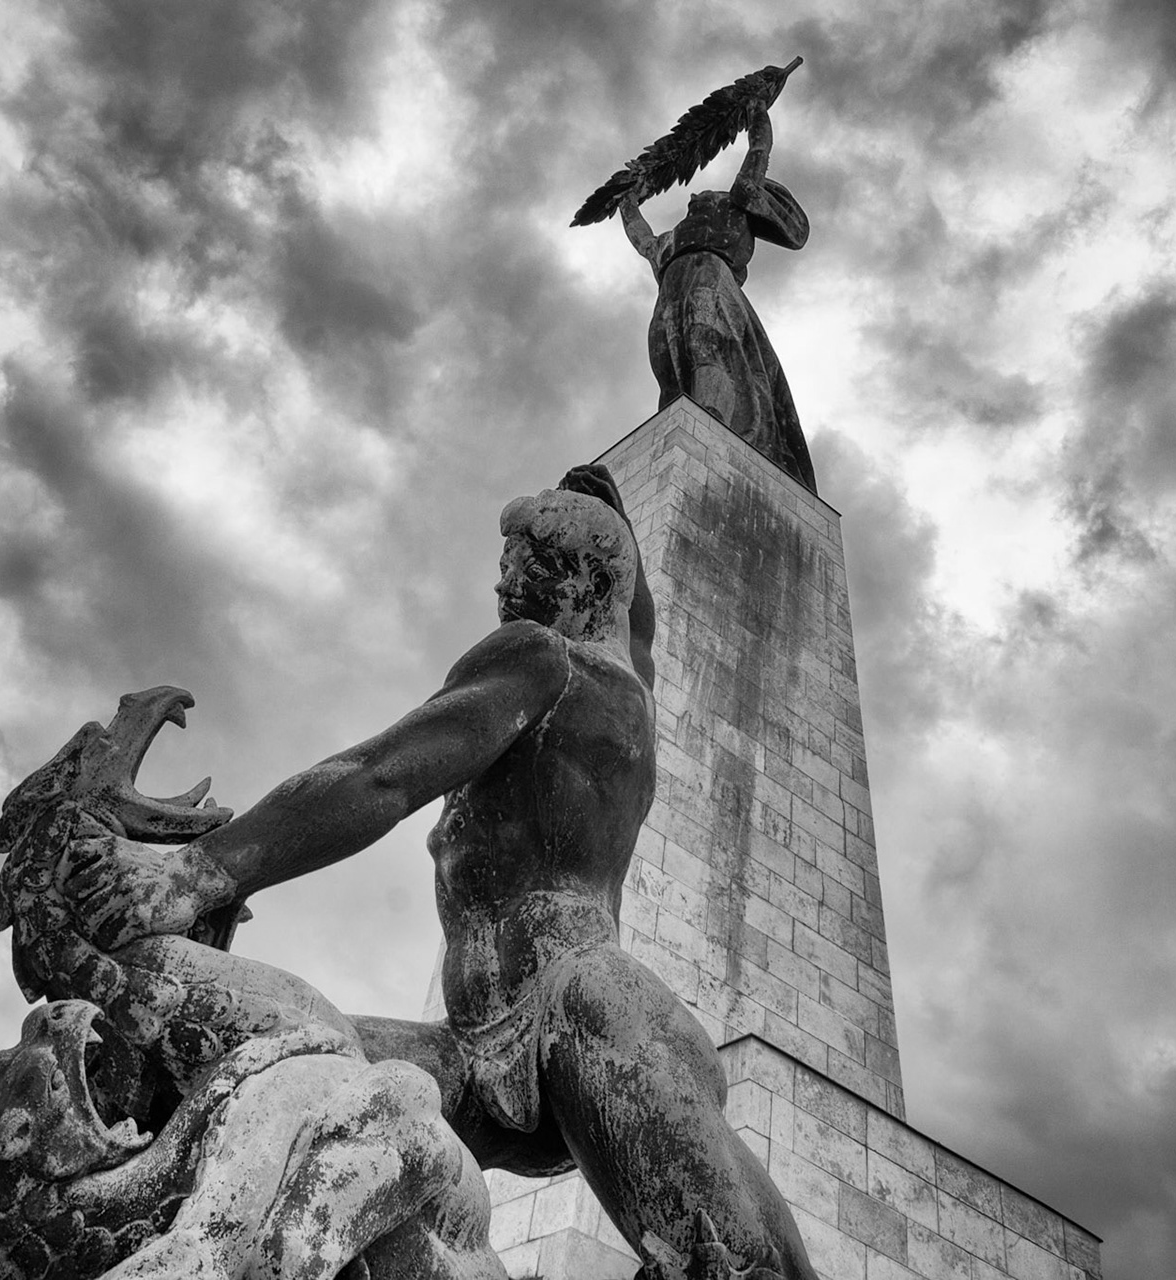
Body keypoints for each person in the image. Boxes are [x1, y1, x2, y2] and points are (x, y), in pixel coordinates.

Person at [67, 464, 819, 1280]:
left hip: (581, 1008)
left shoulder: (544, 661)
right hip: (477, 1045)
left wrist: (198, 872)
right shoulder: (624, 682)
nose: (504, 581)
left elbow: (379, 776)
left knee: (739, 1266)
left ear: (584, 584)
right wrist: (613, 512)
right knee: (301, 1076)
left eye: (530, 564)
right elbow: (640, 626)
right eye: (506, 560)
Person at [621, 104, 816, 494]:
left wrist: (758, 116)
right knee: (671, 373)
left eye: (704, 194)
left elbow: (752, 166)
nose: (694, 193)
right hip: (670, 293)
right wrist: (628, 200)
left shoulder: (734, 210)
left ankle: (707, 423)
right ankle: (683, 429)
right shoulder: (672, 242)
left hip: (712, 278)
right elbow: (642, 240)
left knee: (704, 348)